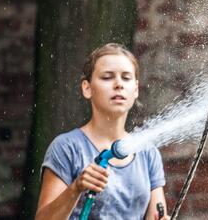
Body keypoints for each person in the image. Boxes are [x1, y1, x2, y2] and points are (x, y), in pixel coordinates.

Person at [36, 43, 170, 220]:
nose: (119, 84)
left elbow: (156, 214)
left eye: (126, 78)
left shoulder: (148, 153)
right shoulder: (67, 147)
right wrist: (76, 188)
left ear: (136, 89)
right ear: (87, 88)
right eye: (107, 77)